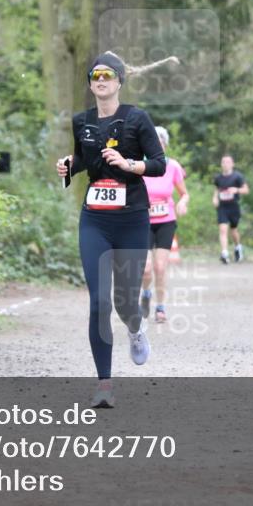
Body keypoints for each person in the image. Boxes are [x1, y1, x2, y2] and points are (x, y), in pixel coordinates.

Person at [56, 51, 165, 409]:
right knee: (99, 302)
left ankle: (136, 328)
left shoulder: (137, 118)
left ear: (119, 81)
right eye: (95, 76)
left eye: (108, 75)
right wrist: (68, 166)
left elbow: (159, 165)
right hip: (95, 220)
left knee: (123, 303)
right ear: (90, 84)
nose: (101, 80)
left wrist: (130, 164)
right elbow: (84, 161)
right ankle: (104, 384)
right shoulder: (81, 121)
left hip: (132, 219)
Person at [140, 126, 189, 323]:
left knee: (160, 267)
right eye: (152, 141)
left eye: (160, 142)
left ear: (165, 145)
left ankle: (160, 307)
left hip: (166, 221)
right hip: (142, 221)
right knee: (145, 269)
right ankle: (145, 294)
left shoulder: (173, 166)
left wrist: (183, 201)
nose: (156, 145)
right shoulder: (138, 166)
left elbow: (184, 193)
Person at [212, 154, 248, 264]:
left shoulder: (238, 176)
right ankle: (225, 253)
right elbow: (217, 190)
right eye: (223, 162)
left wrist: (236, 190)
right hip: (222, 207)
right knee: (223, 229)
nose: (225, 164)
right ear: (221, 164)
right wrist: (215, 198)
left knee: (234, 230)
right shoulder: (218, 178)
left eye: (228, 162)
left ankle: (238, 247)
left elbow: (246, 190)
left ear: (232, 164)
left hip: (233, 207)